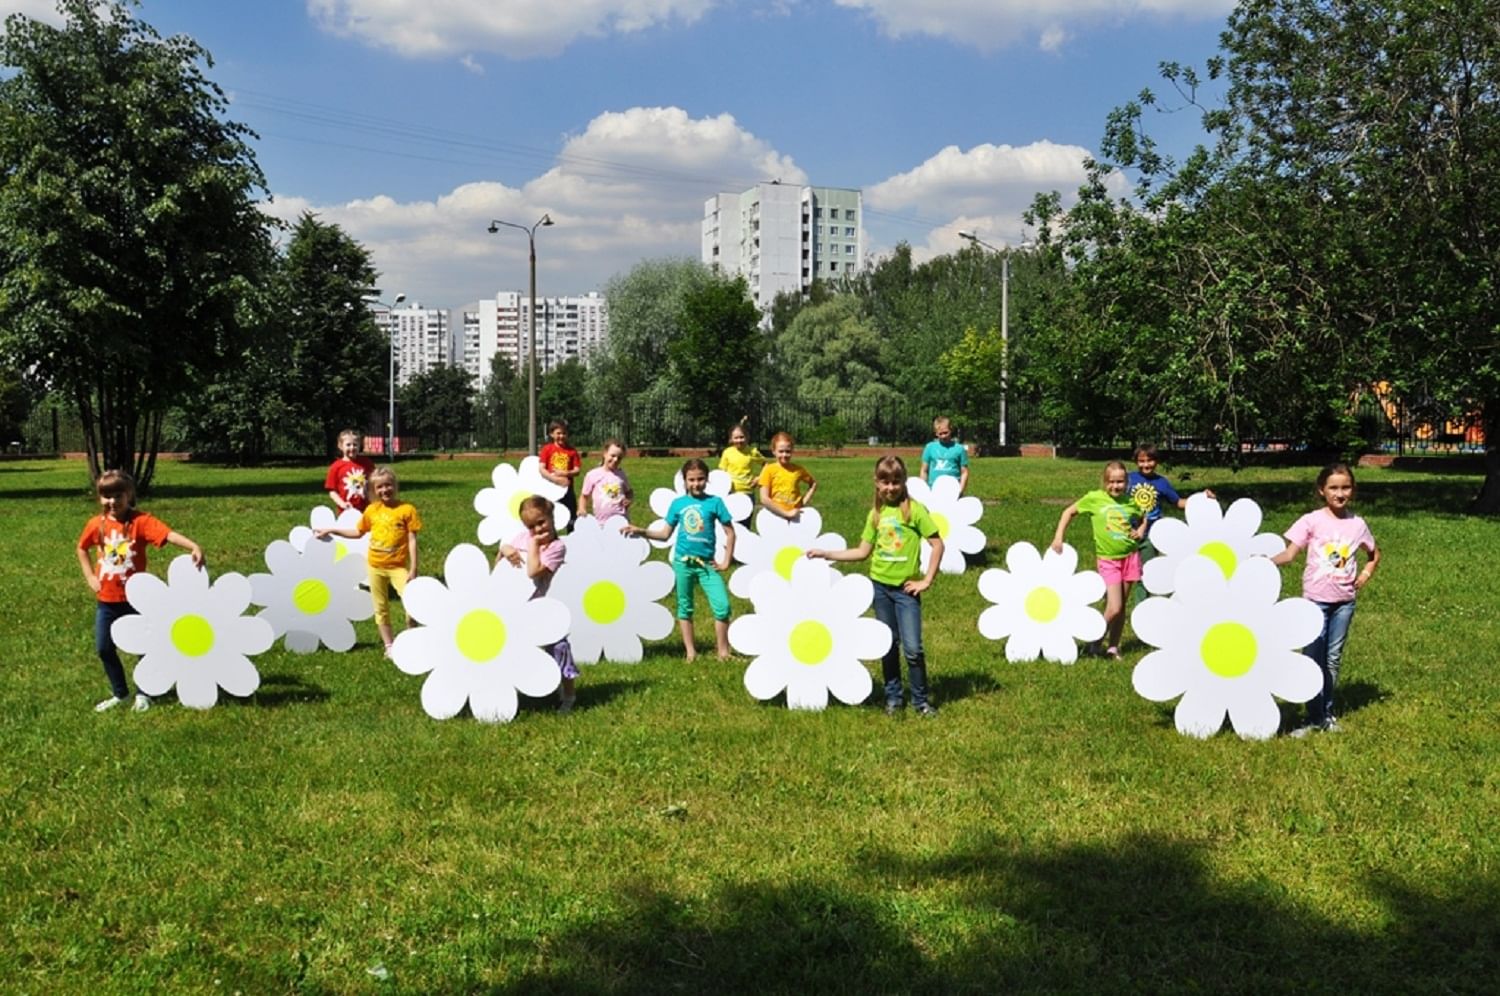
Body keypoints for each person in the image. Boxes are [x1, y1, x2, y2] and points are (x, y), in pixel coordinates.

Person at [808, 455, 944, 716]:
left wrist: (926, 580)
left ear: (904, 482)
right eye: (886, 482)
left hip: (906, 591)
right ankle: (893, 698)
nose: (891, 487)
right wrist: (827, 554)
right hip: (880, 589)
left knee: (913, 648)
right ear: (876, 483)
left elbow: (937, 544)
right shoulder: (876, 514)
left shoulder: (915, 511)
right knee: (888, 643)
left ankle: (921, 702)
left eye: (896, 481)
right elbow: (862, 551)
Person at [76, 469, 204, 712]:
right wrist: (90, 576)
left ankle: (145, 692)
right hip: (107, 601)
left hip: (137, 600)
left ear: (129, 495)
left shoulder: (140, 522)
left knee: (142, 647)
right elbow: (82, 548)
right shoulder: (96, 525)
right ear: (100, 498)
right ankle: (120, 693)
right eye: (106, 496)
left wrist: (193, 546)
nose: (112, 502)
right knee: (104, 648)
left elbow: (167, 534)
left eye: (118, 495)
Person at [1271, 463, 1380, 736]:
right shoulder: (1312, 520)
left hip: (1345, 602)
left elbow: (1374, 553)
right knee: (1312, 659)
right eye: (1333, 487)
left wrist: (1366, 573)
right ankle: (1312, 716)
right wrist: (1262, 562)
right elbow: (1289, 554)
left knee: (1332, 660)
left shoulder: (1358, 525)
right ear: (1322, 490)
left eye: (1345, 487)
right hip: (1314, 603)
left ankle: (1326, 715)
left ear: (1352, 491)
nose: (1340, 493)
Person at [625, 459, 736, 661]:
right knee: (685, 606)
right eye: (691, 480)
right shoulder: (678, 504)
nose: (696, 484)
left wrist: (726, 561)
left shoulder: (715, 503)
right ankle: (691, 652)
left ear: (707, 479)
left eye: (700, 479)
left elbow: (730, 533)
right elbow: (665, 534)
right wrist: (640, 531)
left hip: (707, 564)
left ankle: (723, 652)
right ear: (684, 481)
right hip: (683, 563)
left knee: (723, 606)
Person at [314, 466, 420, 656]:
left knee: (412, 602)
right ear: (373, 490)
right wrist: (332, 530)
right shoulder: (372, 510)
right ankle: (390, 646)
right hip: (375, 567)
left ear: (394, 486)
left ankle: (413, 637)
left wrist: (413, 568)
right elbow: (358, 532)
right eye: (379, 487)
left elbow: (412, 540)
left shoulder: (407, 510)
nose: (384, 490)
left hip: (397, 568)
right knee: (381, 607)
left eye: (388, 485)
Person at [1051, 460, 1145, 659]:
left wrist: (1141, 530)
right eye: (1111, 482)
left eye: (1120, 482)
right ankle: (1094, 639)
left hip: (1130, 558)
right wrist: (1059, 537)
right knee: (1114, 607)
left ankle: (1113, 647)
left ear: (1126, 482)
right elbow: (1068, 512)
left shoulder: (1131, 501)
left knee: (1121, 609)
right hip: (1108, 561)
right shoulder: (1094, 499)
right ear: (1104, 482)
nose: (1115, 486)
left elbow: (1144, 516)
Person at [498, 496, 578, 712]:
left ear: (552, 518)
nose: (537, 529)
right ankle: (520, 689)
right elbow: (500, 560)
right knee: (512, 650)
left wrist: (533, 544)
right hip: (515, 608)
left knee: (559, 648)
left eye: (541, 522)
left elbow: (533, 571)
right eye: (531, 527)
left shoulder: (556, 547)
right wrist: (506, 549)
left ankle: (569, 694)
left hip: (542, 606)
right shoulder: (521, 537)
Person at [1127, 443, 1214, 605]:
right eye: (1142, 461)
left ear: (1157, 461)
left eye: (1150, 460)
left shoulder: (1162, 483)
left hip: (1150, 536)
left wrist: (1202, 497)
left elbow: (1179, 502)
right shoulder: (1129, 479)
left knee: (1145, 572)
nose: (1146, 464)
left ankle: (1142, 607)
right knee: (1123, 573)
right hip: (1127, 533)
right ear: (1136, 462)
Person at [758, 431, 816, 520]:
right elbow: (764, 498)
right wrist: (786, 513)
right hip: (774, 516)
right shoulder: (769, 470)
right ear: (774, 451)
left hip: (795, 516)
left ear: (792, 451)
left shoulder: (798, 470)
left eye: (788, 451)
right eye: (781, 451)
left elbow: (813, 484)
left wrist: (803, 503)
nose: (784, 455)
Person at [578, 438, 633, 530]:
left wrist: (629, 499)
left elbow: (629, 492)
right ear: (604, 453)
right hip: (601, 523)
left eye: (619, 458)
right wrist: (581, 508)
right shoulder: (592, 475)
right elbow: (584, 496)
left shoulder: (621, 475)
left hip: (621, 520)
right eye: (613, 455)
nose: (615, 459)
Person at [718, 418, 765, 518]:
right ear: (731, 439)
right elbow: (721, 472)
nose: (739, 440)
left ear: (747, 437)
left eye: (742, 437)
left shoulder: (753, 451)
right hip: (731, 493)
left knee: (745, 523)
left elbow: (766, 465)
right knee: (731, 522)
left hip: (748, 493)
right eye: (736, 438)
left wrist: (759, 478)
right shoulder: (727, 452)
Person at [538, 419, 582, 525]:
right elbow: (541, 469)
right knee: (549, 515)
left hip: (567, 490)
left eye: (564, 433)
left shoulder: (572, 451)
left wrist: (565, 473)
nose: (561, 436)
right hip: (550, 489)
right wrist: (555, 479)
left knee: (571, 516)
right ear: (551, 434)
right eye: (558, 433)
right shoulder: (547, 449)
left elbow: (577, 470)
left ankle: (572, 537)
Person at [325, 428, 376, 512]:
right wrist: (342, 504)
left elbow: (375, 483)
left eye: (355, 444)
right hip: (346, 511)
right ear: (340, 446)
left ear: (359, 445)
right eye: (348, 445)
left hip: (367, 509)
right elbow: (332, 491)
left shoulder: (367, 463)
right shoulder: (336, 467)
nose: (352, 448)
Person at [920, 416, 970, 493]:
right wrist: (924, 489)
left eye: (946, 432)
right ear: (936, 433)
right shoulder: (930, 447)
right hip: (933, 489)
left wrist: (960, 490)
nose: (943, 436)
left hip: (953, 490)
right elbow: (924, 470)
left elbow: (964, 472)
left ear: (951, 430)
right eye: (940, 434)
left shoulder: (959, 449)